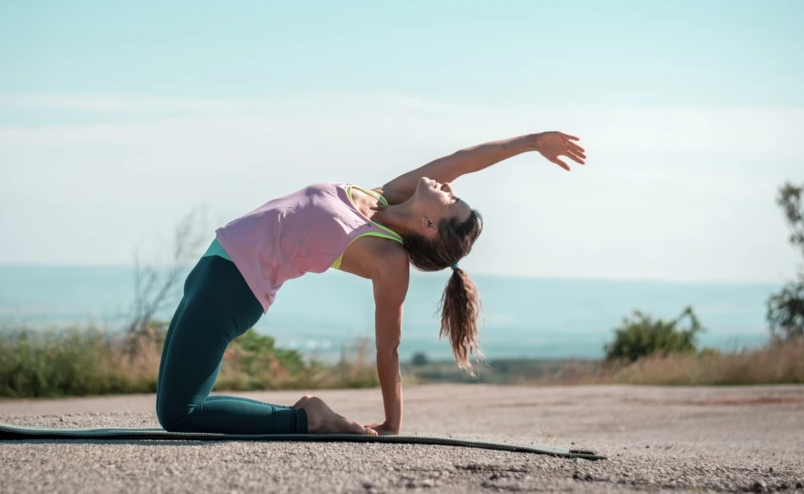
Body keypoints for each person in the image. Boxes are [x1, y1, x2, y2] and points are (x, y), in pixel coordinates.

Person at [155, 130, 587, 436]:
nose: (449, 186)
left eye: (452, 199)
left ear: (432, 224)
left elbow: (389, 347)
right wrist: (532, 143)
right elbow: (463, 157)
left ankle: (308, 419)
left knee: (180, 414)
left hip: (235, 287)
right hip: (214, 266)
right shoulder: (386, 196)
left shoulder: (387, 256)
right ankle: (305, 419)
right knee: (174, 400)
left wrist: (392, 422)